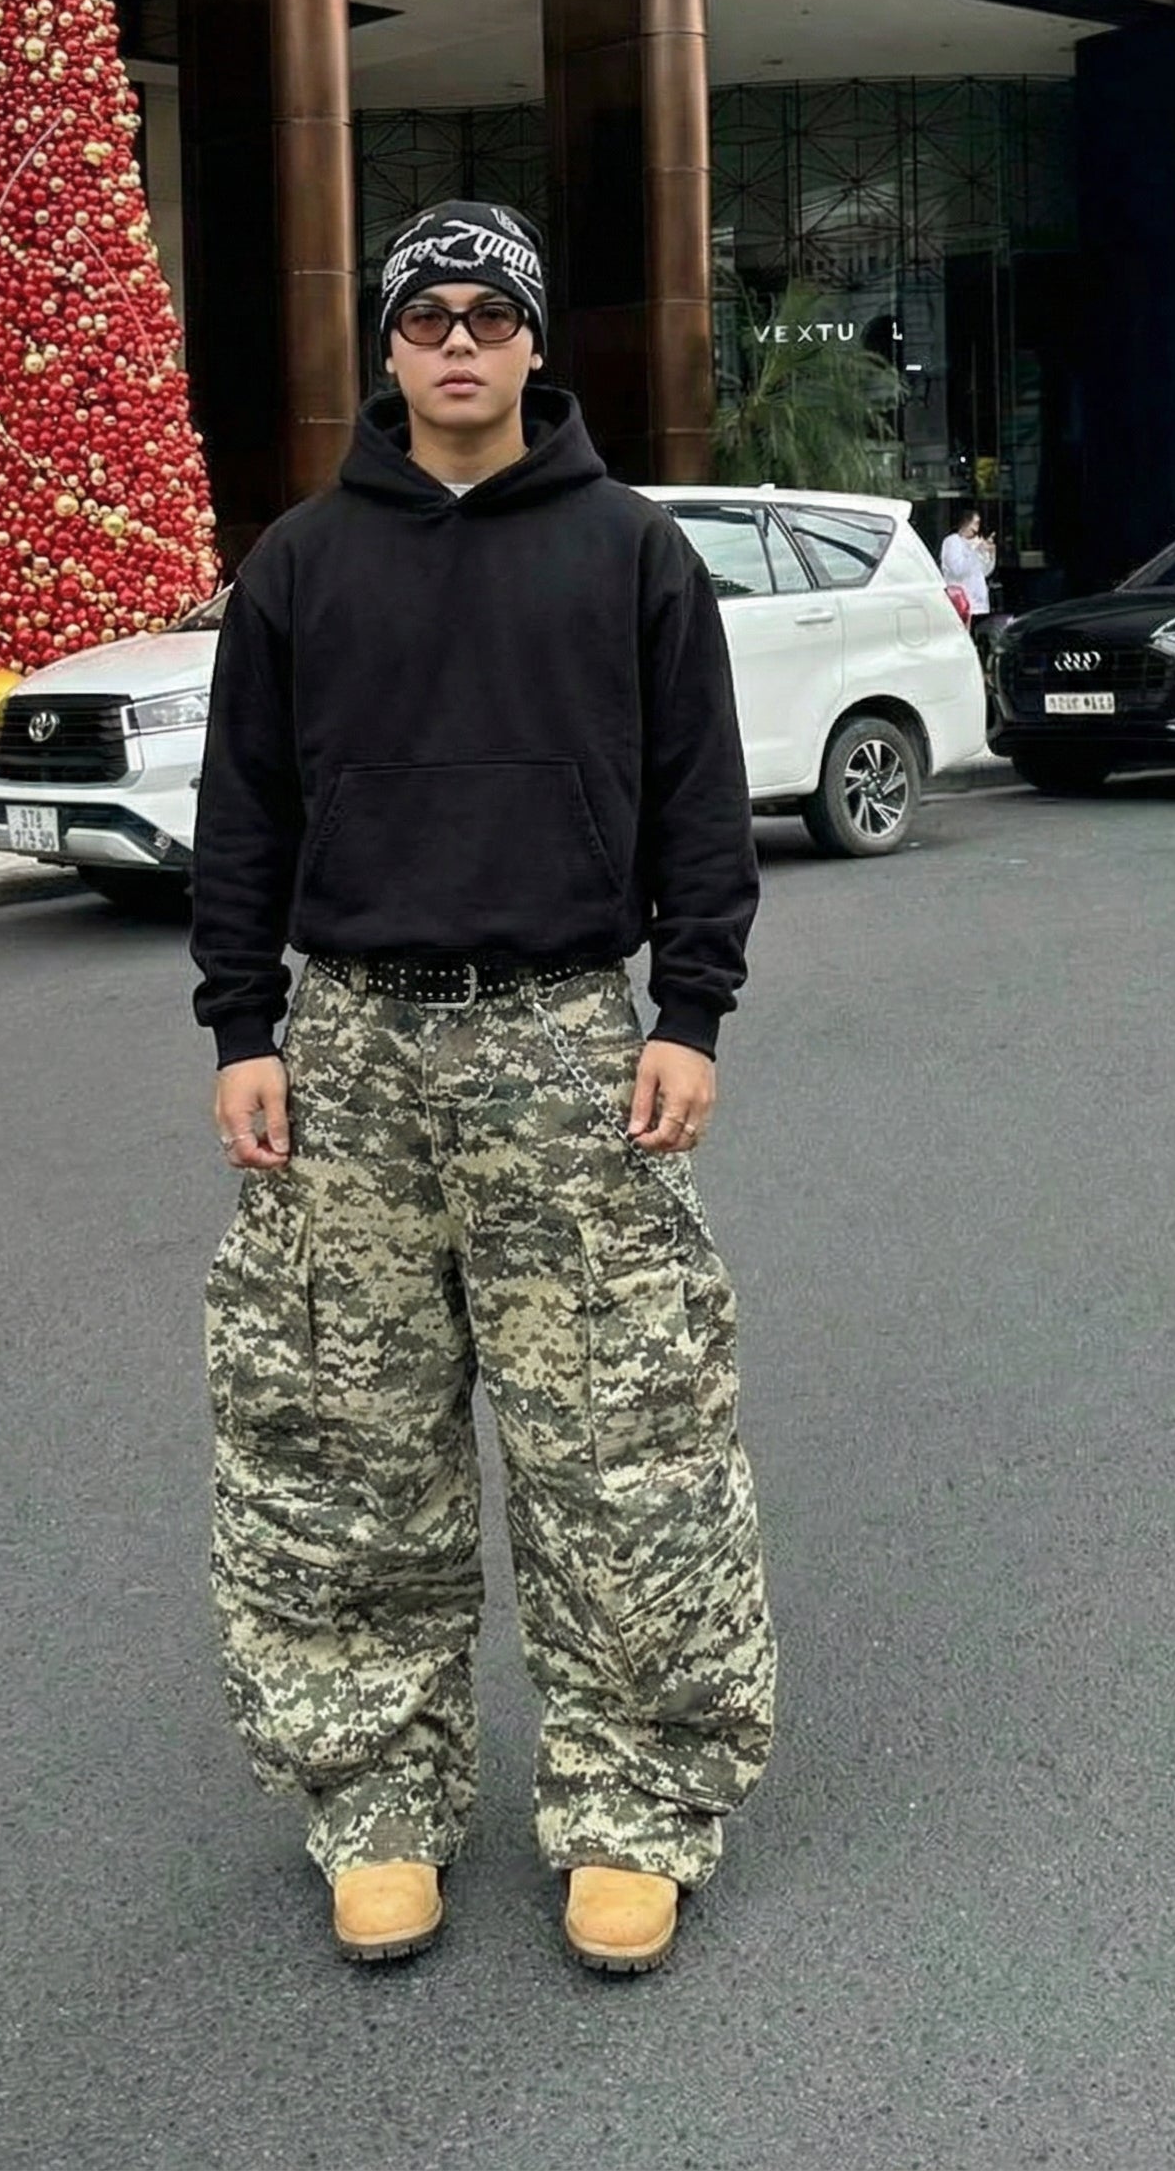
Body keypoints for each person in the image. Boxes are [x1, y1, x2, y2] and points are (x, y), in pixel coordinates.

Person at [190, 200, 777, 1977]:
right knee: (339, 1441)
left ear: (533, 342)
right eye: (427, 315)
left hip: (565, 1039)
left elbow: (701, 797)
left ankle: (635, 1804)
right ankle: (375, 1799)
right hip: (350, 1048)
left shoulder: (630, 553)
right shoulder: (300, 564)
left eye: (489, 315)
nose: (458, 343)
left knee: (619, 1439)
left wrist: (691, 1009)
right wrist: (242, 1029)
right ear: (387, 345)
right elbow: (244, 814)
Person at [940, 506, 995, 635]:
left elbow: (984, 572)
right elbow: (957, 569)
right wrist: (977, 551)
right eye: (975, 523)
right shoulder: (952, 542)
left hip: (978, 604)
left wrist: (990, 555)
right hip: (962, 602)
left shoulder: (974, 543)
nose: (977, 528)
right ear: (965, 522)